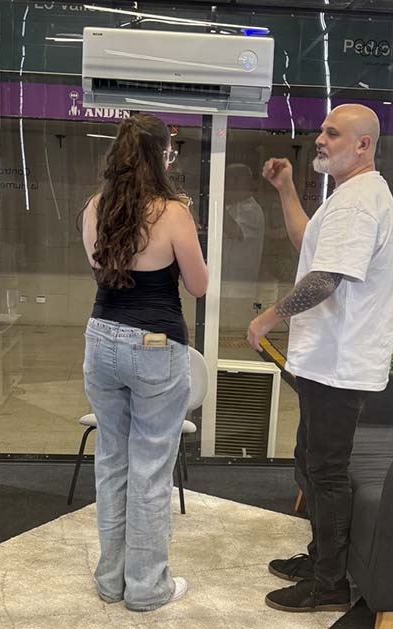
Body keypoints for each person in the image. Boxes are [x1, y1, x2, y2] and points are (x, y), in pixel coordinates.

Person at [246, 104, 393, 612]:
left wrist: (269, 318)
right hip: (327, 361)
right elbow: (308, 244)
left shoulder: (359, 202)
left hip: (339, 364)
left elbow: (325, 279)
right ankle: (320, 560)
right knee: (311, 462)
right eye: (321, 131)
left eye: (332, 133)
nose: (320, 139)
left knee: (326, 470)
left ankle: (330, 582)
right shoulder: (348, 196)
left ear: (363, 145)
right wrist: (286, 189)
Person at [80, 113, 208, 612]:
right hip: (155, 344)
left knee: (112, 462)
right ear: (163, 156)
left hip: (101, 339)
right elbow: (198, 285)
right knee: (151, 470)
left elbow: (104, 273)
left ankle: (111, 581)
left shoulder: (94, 208)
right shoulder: (173, 213)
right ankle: (147, 587)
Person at [222, 163, 265, 299]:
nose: (226, 188)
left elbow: (234, 231)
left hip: (240, 287)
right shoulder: (232, 207)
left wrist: (214, 203)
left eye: (228, 183)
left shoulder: (252, 210)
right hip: (225, 284)